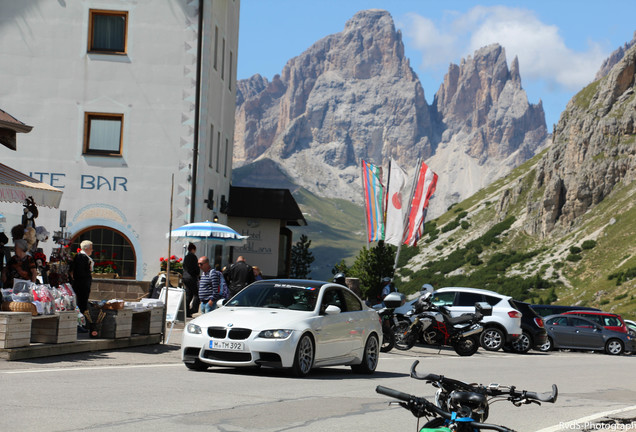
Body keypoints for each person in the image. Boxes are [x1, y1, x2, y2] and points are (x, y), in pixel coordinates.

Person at [72, 240, 94, 313]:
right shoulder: (81, 257)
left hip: (84, 285)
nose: (92, 250)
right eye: (91, 248)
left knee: (83, 303)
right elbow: (80, 272)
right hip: (81, 285)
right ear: (86, 249)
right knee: (81, 304)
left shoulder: (84, 257)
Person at [181, 243, 200, 317]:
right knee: (197, 294)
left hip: (185, 277)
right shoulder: (193, 257)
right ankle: (193, 309)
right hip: (191, 278)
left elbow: (184, 266)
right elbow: (196, 268)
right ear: (193, 249)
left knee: (189, 294)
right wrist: (197, 274)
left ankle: (186, 311)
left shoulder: (186, 257)